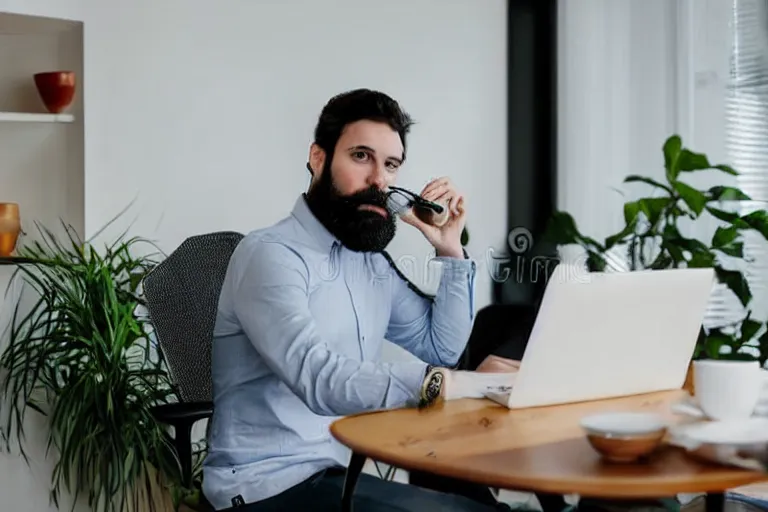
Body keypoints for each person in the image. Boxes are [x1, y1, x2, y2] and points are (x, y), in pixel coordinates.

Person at [201, 88, 520, 511]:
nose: (380, 181)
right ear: (318, 158)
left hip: (336, 474)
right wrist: (446, 383)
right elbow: (320, 381)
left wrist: (450, 250)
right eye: (361, 157)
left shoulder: (368, 263)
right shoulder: (271, 255)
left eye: (390, 165)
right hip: (264, 485)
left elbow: (441, 347)